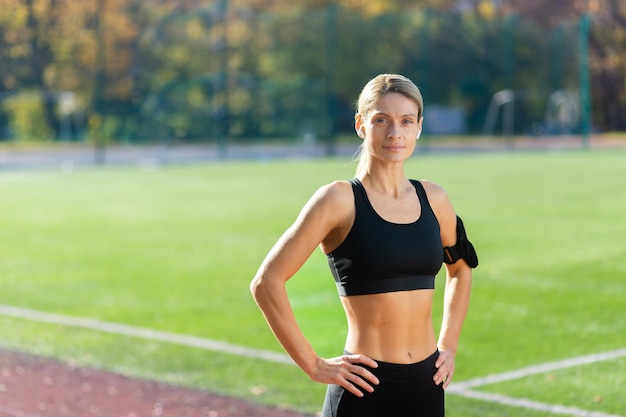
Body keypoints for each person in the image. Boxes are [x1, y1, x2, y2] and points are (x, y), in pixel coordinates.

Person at [250, 73, 477, 416]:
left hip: (426, 387)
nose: (394, 133)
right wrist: (313, 365)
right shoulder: (338, 200)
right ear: (361, 125)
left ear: (419, 127)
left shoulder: (435, 199)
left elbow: (460, 269)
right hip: (363, 390)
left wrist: (449, 345)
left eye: (406, 121)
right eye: (381, 120)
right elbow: (266, 283)